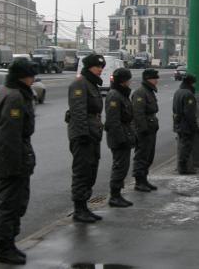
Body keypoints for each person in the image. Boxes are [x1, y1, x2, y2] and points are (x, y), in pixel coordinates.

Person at [0, 59, 37, 265]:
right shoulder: (15, 97)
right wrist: (16, 164)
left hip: (10, 157)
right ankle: (4, 248)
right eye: (31, 75)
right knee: (10, 204)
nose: (33, 80)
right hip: (11, 159)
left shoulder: (8, 90)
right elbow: (11, 135)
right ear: (22, 76)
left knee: (13, 202)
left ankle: (9, 244)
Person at [67, 54, 106, 223]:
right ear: (89, 67)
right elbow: (78, 111)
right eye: (97, 67)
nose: (100, 70)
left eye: (101, 67)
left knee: (91, 170)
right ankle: (79, 209)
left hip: (92, 134)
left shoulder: (92, 84)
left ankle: (84, 206)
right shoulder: (80, 84)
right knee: (82, 171)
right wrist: (83, 134)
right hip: (84, 135)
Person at [105, 68, 136, 207]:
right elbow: (113, 120)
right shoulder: (115, 95)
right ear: (123, 81)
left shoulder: (121, 94)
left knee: (123, 166)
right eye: (128, 79)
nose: (130, 82)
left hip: (124, 134)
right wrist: (121, 139)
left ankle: (117, 194)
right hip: (119, 137)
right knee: (119, 166)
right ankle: (114, 196)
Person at [132, 68, 160, 192]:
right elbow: (138, 113)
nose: (157, 81)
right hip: (144, 130)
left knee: (149, 155)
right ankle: (139, 181)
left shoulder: (149, 91)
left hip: (150, 128)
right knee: (142, 156)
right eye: (155, 78)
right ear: (148, 79)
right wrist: (143, 129)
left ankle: (144, 179)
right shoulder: (140, 93)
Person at [173, 73, 199, 174]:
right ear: (191, 83)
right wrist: (194, 126)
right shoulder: (188, 94)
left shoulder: (178, 92)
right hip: (186, 125)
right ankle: (183, 167)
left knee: (183, 144)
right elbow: (190, 113)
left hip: (178, 122)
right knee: (186, 146)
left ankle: (182, 166)